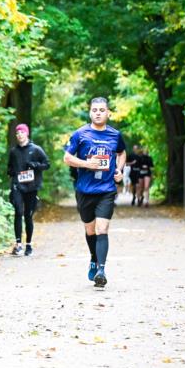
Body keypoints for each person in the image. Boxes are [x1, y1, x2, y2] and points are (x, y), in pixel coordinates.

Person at [62, 96, 126, 288]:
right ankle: (93, 257)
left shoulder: (115, 135)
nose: (98, 113)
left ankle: (101, 269)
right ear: (90, 112)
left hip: (106, 190)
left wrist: (119, 170)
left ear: (108, 113)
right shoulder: (80, 134)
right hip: (84, 190)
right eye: (94, 110)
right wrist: (86, 164)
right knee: (90, 230)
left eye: (101, 110)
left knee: (102, 229)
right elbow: (67, 158)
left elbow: (121, 153)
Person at [6, 123, 50, 256]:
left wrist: (35, 165)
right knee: (18, 212)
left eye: (22, 132)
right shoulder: (14, 151)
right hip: (18, 186)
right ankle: (18, 244)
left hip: (32, 187)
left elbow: (47, 164)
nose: (19, 135)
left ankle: (29, 245)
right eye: (17, 133)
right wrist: (12, 172)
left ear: (27, 134)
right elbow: (9, 168)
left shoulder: (36, 149)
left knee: (28, 215)